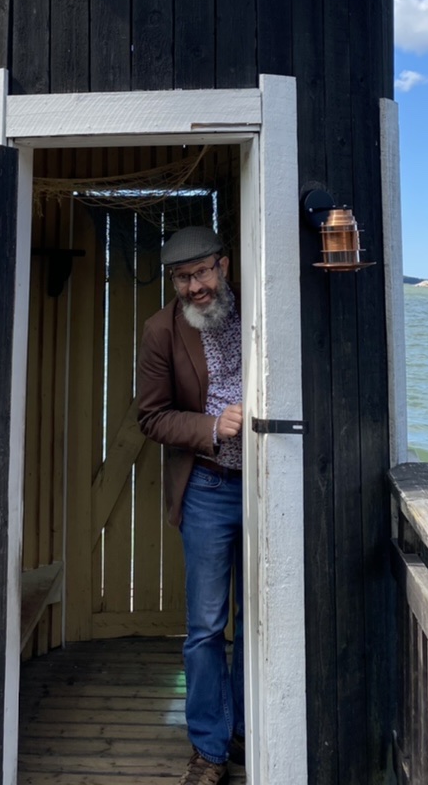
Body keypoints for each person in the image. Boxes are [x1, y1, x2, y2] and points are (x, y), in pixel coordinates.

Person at [137, 226, 244, 785]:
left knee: (259, 620)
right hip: (207, 487)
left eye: (204, 271)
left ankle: (249, 728)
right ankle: (208, 750)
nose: (197, 286)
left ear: (223, 266)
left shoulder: (259, 309)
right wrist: (210, 426)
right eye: (184, 277)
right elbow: (151, 417)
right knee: (205, 627)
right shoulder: (161, 331)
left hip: (268, 485)